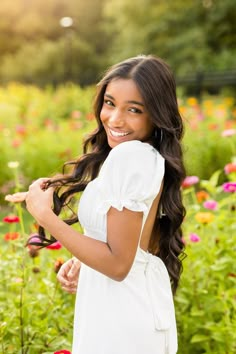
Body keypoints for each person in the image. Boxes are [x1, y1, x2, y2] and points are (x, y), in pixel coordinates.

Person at [5, 54, 186, 354]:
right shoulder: (144, 155)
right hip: (128, 307)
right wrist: (84, 260)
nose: (115, 119)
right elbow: (139, 241)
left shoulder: (130, 158)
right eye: (110, 103)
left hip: (122, 316)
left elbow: (117, 264)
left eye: (134, 110)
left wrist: (45, 217)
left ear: (156, 114)